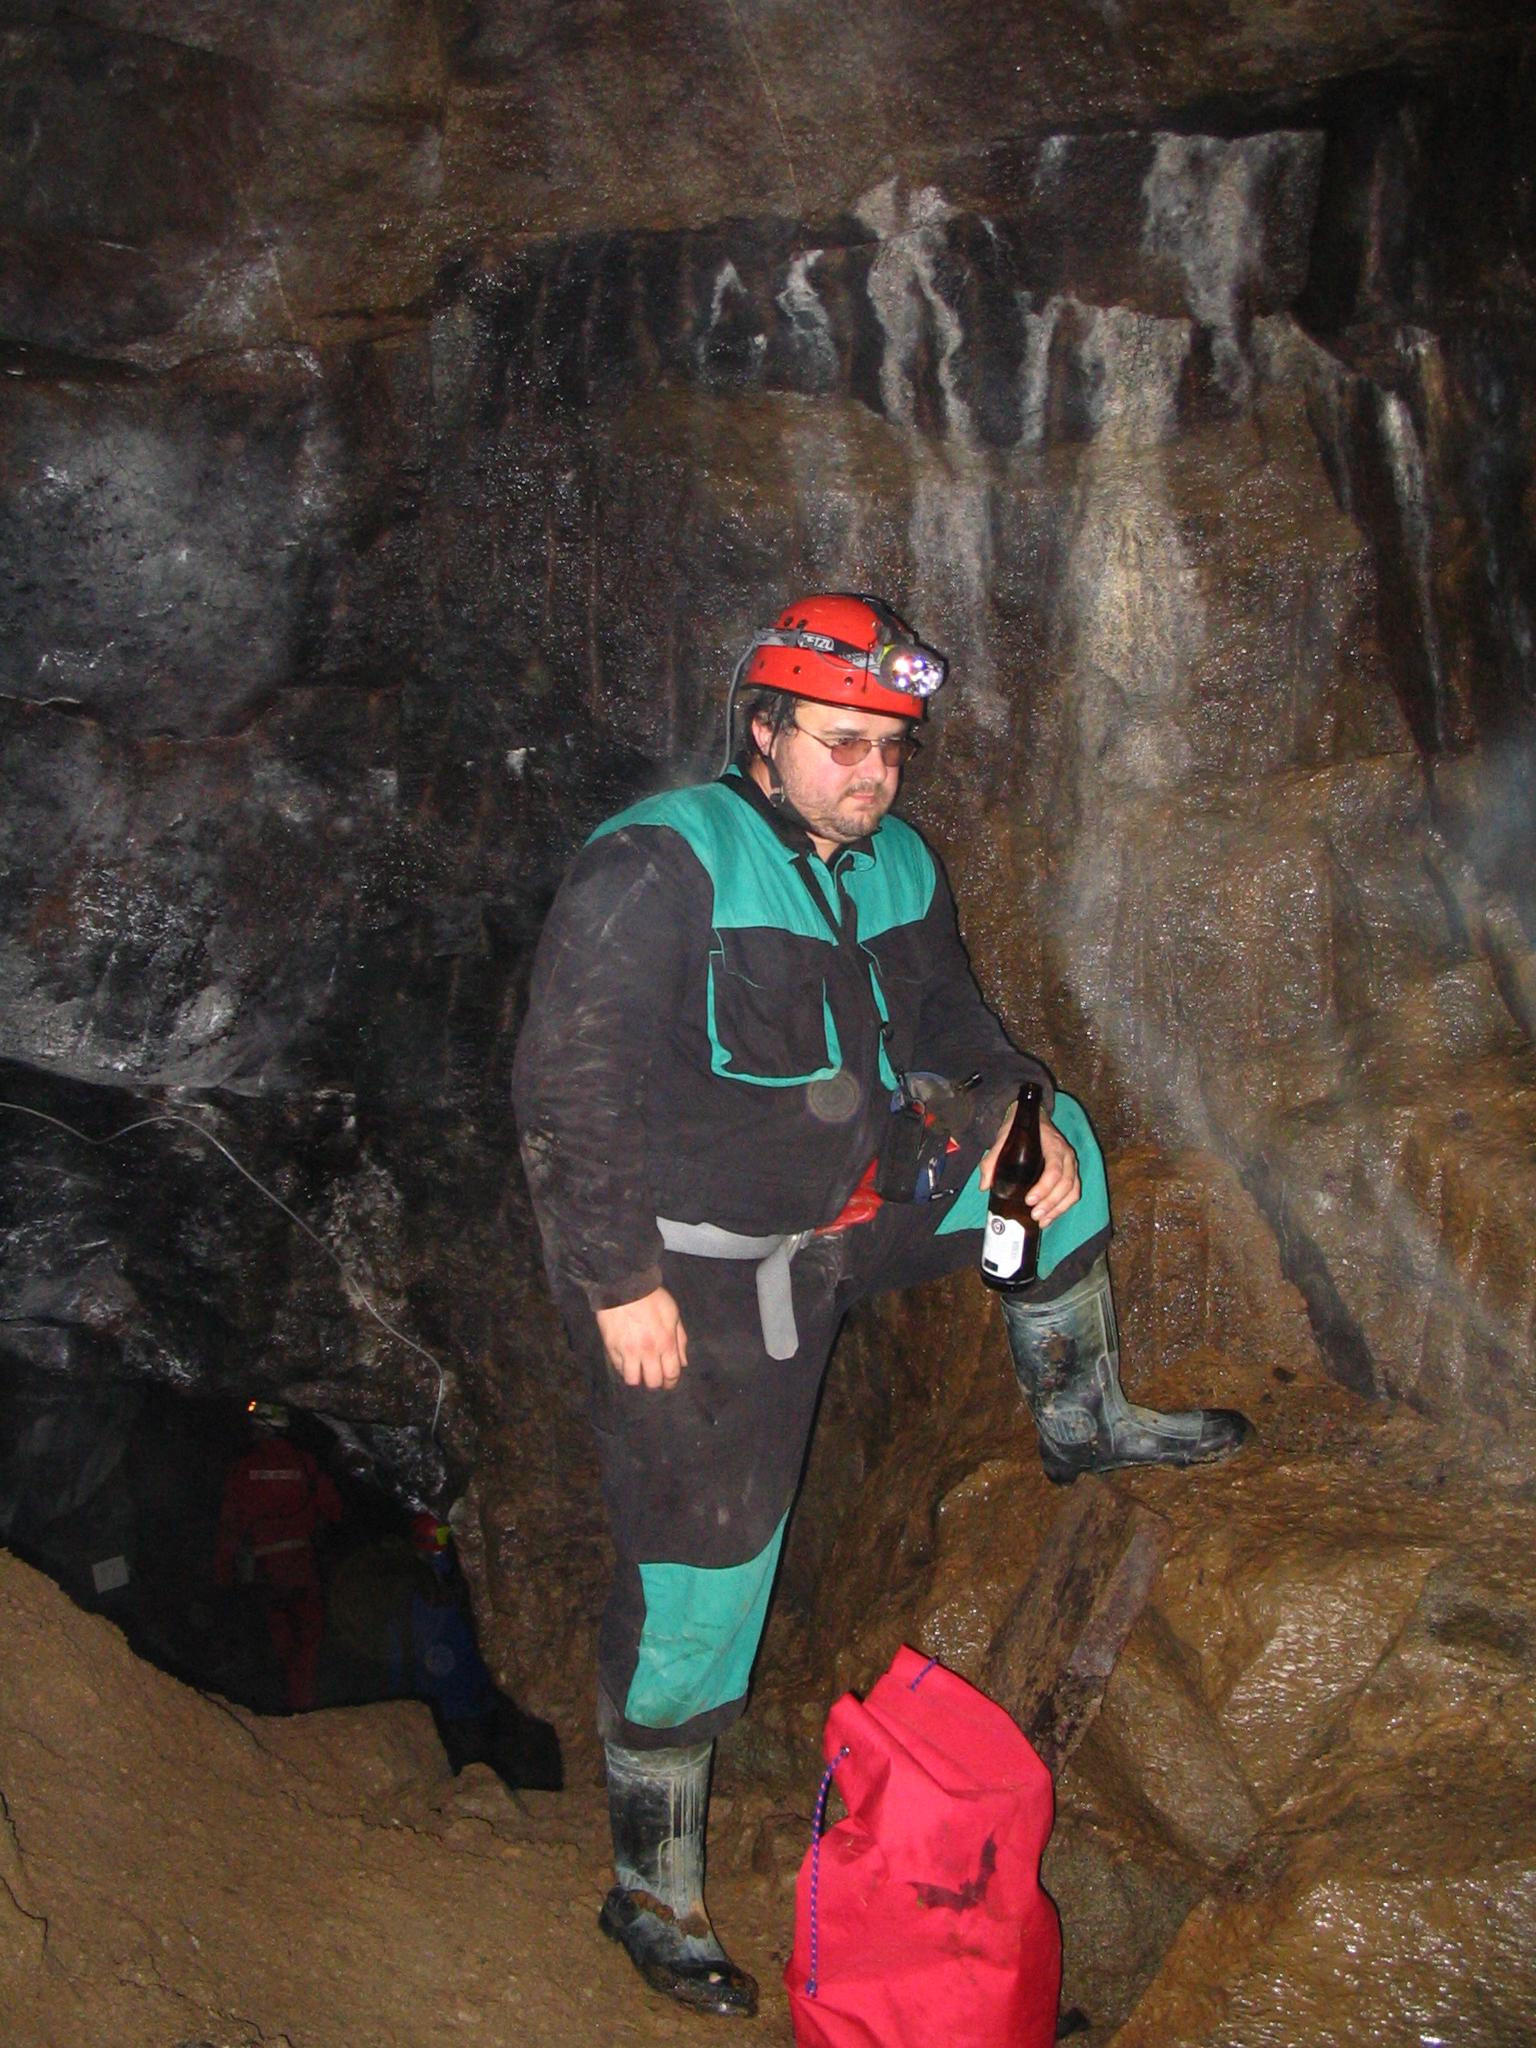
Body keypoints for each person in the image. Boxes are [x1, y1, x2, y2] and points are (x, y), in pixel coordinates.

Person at [511, 593, 1250, 2017]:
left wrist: (1011, 1111)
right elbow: (567, 1089)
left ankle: (1083, 1417)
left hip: (860, 1215)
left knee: (1062, 1154)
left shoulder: (897, 861)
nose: (874, 773)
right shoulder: (663, 863)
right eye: (841, 743)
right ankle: (652, 1888)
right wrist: (619, 1285)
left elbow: (956, 1025)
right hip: (704, 1276)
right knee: (705, 1579)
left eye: (893, 747)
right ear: (764, 734)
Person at [214, 1399, 343, 1713]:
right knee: (308, 1636)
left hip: (265, 1568)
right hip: (302, 1564)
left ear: (262, 1427)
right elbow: (335, 1510)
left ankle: (284, 1707)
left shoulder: (244, 1468)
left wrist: (223, 1575)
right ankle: (305, 1703)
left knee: (277, 1637)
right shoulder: (305, 1462)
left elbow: (230, 1526)